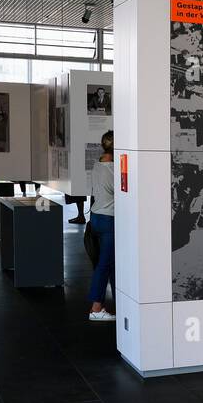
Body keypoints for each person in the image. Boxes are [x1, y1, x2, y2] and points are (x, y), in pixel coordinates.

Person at [87, 130, 116, 322]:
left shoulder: (98, 164)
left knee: (111, 264)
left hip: (97, 216)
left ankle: (120, 302)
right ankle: (96, 308)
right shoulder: (112, 168)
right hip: (108, 219)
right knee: (104, 265)